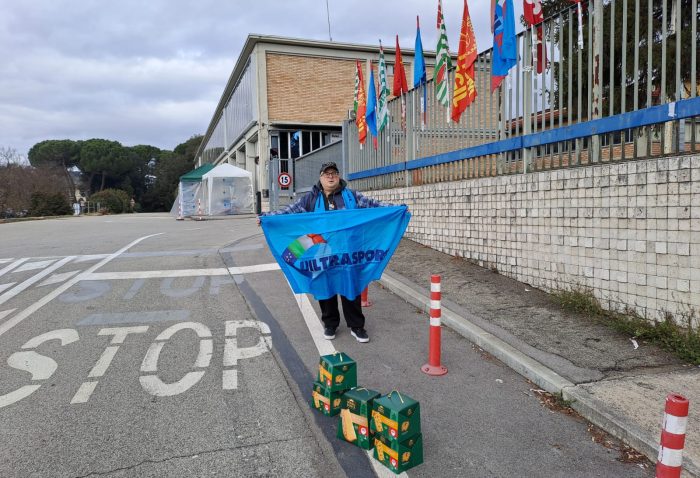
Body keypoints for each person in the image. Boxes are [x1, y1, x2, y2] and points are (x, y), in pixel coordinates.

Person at [260, 161, 396, 343]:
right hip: (322, 254)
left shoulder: (352, 197)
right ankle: (330, 324)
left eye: (334, 173)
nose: (330, 176)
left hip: (348, 254)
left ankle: (357, 326)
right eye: (327, 174)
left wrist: (397, 209)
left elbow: (375, 206)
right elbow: (289, 213)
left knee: (351, 289)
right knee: (325, 289)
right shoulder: (310, 199)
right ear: (321, 177)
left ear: (338, 176)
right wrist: (267, 218)